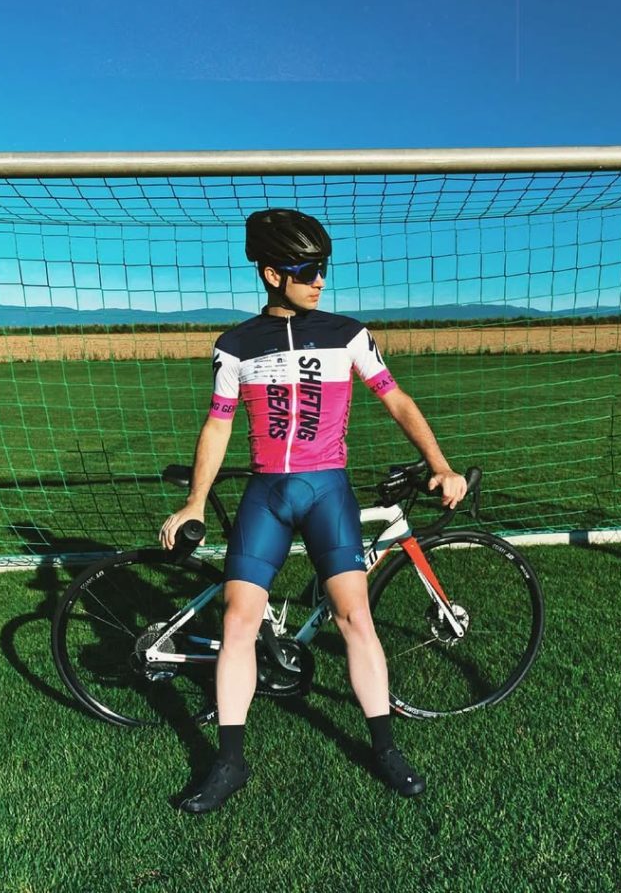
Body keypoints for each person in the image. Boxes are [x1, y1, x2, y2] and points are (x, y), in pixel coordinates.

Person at [159, 208, 467, 813]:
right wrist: (194, 501)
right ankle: (229, 762)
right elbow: (218, 425)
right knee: (238, 621)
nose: (320, 280)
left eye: (324, 268)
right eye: (306, 270)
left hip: (328, 490)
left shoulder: (348, 333)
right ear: (272, 274)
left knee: (355, 617)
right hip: (267, 494)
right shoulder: (235, 345)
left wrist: (440, 463)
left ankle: (385, 748)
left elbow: (396, 399)